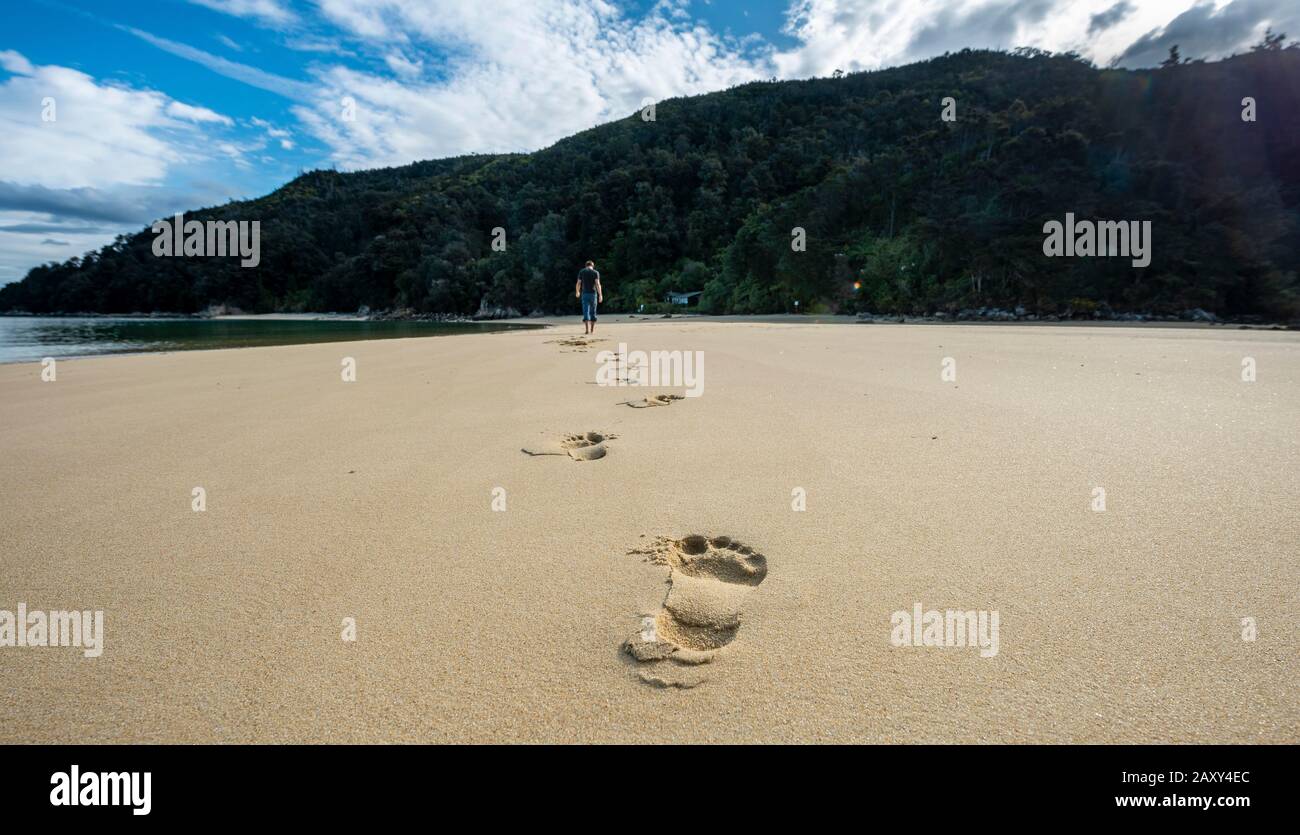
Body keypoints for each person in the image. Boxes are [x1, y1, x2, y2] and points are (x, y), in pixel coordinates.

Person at [575, 260, 603, 334]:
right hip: (593, 294)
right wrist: (600, 295)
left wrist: (577, 292)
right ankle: (592, 330)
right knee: (593, 311)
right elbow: (597, 284)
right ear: (592, 266)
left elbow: (578, 283)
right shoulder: (595, 272)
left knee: (585, 311)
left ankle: (587, 330)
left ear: (586, 265)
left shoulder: (582, 272)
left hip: (585, 294)